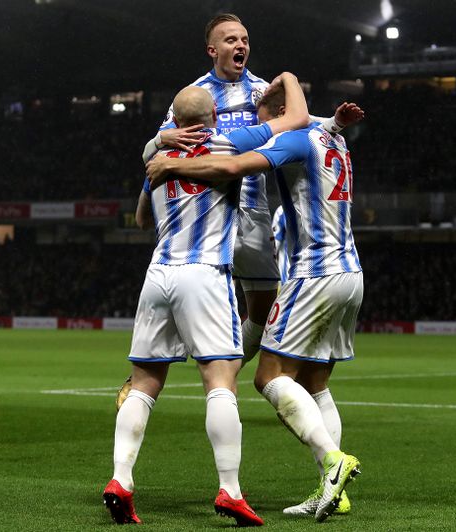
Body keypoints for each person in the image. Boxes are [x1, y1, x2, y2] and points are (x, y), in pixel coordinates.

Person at [147, 87, 363, 523]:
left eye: (262, 112)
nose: (257, 124)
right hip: (352, 273)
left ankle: (334, 459)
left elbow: (229, 165)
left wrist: (170, 162)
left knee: (269, 376)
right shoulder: (332, 138)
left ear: (281, 111)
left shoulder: (296, 137)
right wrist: (336, 122)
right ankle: (332, 492)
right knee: (316, 383)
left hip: (313, 273)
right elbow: (322, 122)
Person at [103, 75, 309, 527]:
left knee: (143, 384)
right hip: (205, 273)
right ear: (211, 117)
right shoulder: (227, 143)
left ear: (175, 121)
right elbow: (294, 120)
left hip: (158, 275)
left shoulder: (158, 157)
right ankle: (230, 491)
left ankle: (120, 480)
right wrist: (289, 80)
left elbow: (140, 220)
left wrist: (160, 152)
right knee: (220, 381)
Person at [141, 13, 361, 364]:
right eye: (231, 40)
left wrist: (333, 122)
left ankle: (222, 374)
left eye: (244, 39)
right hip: (208, 215)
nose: (240, 45)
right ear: (212, 50)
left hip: (253, 214)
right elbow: (161, 152)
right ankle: (162, 366)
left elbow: (298, 121)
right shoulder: (195, 95)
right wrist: (157, 142)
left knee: (262, 312)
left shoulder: (260, 89)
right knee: (195, 291)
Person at [272, 205, 290, 285]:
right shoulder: (282, 211)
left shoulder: (282, 210)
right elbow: (273, 248)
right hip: (288, 279)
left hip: (289, 279)